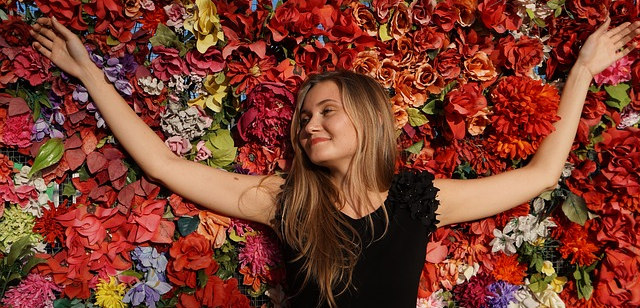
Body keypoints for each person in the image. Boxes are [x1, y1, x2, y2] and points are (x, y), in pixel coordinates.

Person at [29, 14, 640, 308]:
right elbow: (164, 166)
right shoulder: (285, 199)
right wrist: (89, 72)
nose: (309, 125)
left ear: (368, 118)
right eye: (303, 118)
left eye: (326, 111)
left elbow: (539, 176)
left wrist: (582, 72)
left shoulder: (418, 198)